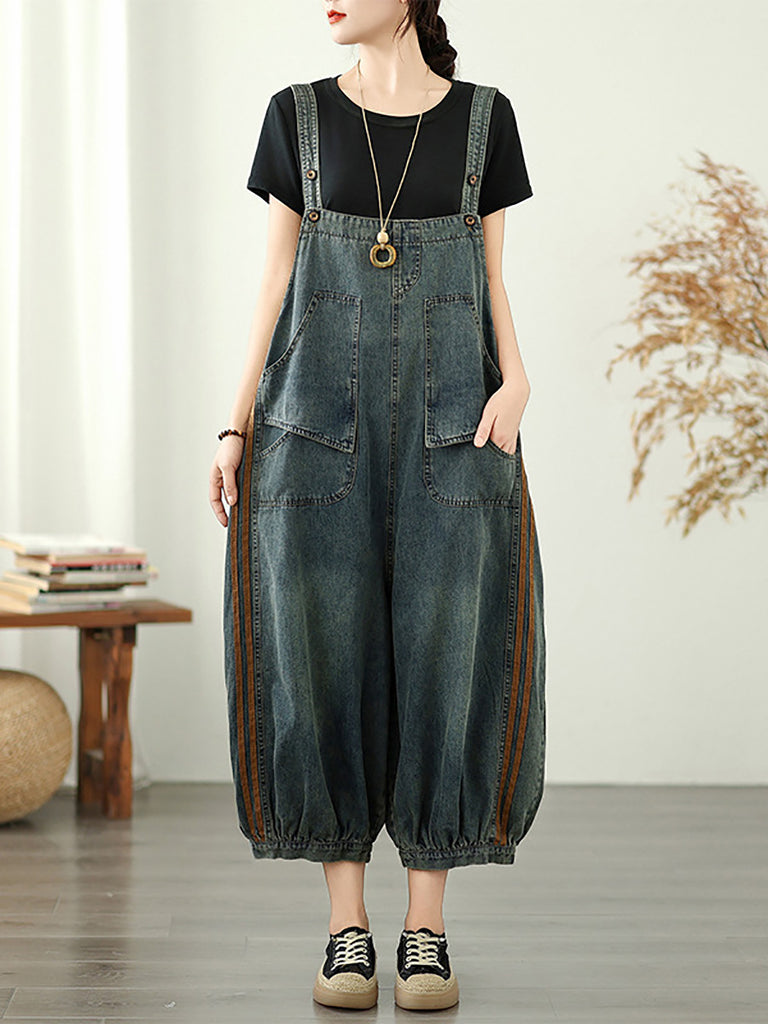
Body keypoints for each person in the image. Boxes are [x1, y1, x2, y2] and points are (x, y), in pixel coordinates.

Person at [209, 0, 546, 1012]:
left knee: (451, 658)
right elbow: (275, 280)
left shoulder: (485, 119)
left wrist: (518, 379)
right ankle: (346, 928)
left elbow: (491, 277)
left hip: (460, 425)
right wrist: (234, 425)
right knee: (321, 659)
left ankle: (426, 931)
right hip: (312, 426)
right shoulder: (297, 116)